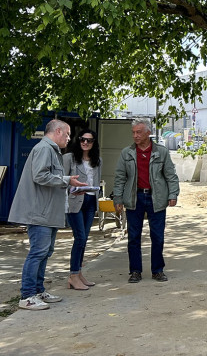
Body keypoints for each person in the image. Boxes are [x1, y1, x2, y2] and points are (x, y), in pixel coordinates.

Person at [8, 119, 86, 310]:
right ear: (58, 131)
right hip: (39, 213)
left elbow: (49, 178)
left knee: (45, 252)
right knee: (38, 252)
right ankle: (27, 296)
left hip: (47, 212)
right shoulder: (44, 149)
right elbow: (40, 176)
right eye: (67, 134)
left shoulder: (51, 150)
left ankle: (38, 290)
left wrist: (68, 182)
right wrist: (66, 180)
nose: (69, 138)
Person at [113, 118, 180, 284]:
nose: (135, 136)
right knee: (133, 237)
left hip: (156, 197)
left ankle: (157, 270)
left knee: (157, 236)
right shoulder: (126, 153)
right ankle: (135, 271)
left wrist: (173, 194)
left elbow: (170, 175)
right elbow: (120, 177)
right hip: (134, 197)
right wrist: (118, 197)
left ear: (148, 133)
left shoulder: (162, 152)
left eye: (139, 132)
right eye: (133, 132)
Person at [63, 128, 101, 291]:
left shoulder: (97, 160)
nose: (85, 143)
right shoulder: (68, 158)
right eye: (82, 139)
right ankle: (72, 275)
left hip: (90, 201)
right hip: (74, 201)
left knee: (84, 239)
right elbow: (61, 181)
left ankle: (78, 273)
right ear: (78, 141)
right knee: (79, 238)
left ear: (94, 143)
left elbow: (97, 180)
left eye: (89, 140)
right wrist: (72, 189)